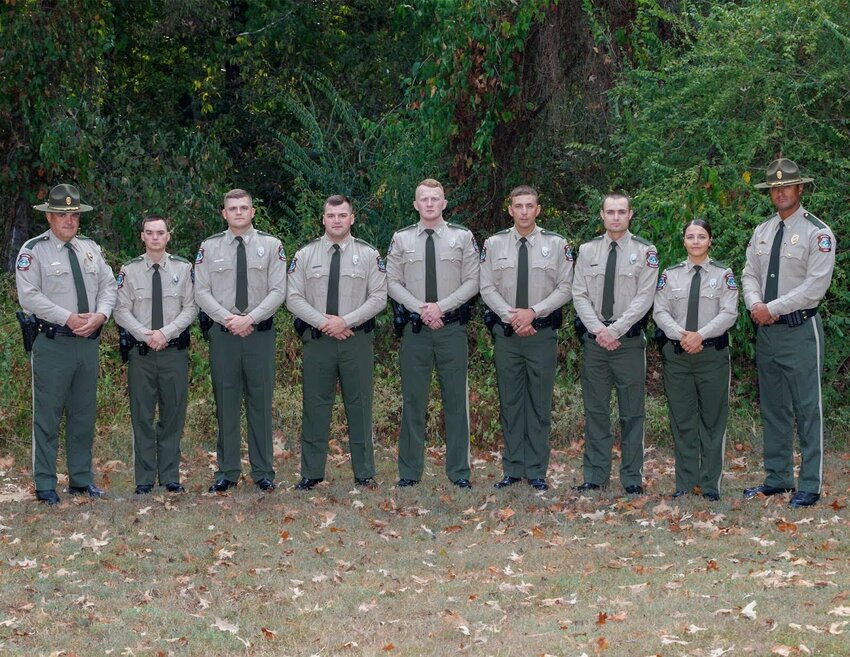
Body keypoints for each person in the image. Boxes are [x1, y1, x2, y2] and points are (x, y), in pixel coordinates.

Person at [741, 158, 835, 508]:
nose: (780, 192)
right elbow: (749, 273)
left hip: (799, 330)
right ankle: (778, 478)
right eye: (774, 188)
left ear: (800, 189)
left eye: (786, 186)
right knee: (774, 407)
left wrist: (772, 308)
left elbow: (815, 287)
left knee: (807, 407)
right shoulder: (762, 231)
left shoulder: (818, 233)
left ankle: (809, 484)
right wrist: (754, 305)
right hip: (767, 333)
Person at [15, 183, 116, 504]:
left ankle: (81, 480)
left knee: (83, 414)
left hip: (87, 343)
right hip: (52, 343)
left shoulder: (91, 249)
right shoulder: (34, 251)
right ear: (49, 218)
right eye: (62, 215)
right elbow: (29, 296)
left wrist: (100, 315)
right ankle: (45, 484)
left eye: (73, 214)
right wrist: (68, 318)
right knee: (47, 415)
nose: (69, 220)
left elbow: (109, 285)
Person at [285, 195, 387, 490]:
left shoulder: (368, 255)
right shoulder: (305, 255)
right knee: (315, 405)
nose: (337, 220)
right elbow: (293, 297)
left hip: (356, 339)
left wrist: (346, 321)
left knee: (360, 404)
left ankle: (364, 472)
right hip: (318, 341)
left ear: (352, 218)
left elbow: (379, 297)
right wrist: (324, 322)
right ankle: (312, 472)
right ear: (323, 219)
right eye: (331, 215)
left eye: (343, 215)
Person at [386, 178, 480, 488]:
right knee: (414, 401)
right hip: (415, 332)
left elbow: (473, 281)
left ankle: (459, 472)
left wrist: (441, 307)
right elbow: (392, 283)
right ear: (415, 204)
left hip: (451, 329)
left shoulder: (462, 237)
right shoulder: (401, 240)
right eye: (423, 199)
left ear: (444, 203)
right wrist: (421, 309)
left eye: (435, 198)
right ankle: (410, 472)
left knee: (456, 401)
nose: (429, 203)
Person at [479, 186, 573, 491]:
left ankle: (536, 470)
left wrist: (533, 312)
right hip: (507, 335)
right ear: (509, 209)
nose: (523, 211)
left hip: (541, 335)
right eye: (518, 206)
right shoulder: (493, 245)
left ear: (538, 209)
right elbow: (486, 287)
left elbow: (566, 287)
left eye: (529, 205)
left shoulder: (557, 245)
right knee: (510, 401)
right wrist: (512, 316)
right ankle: (512, 468)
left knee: (539, 403)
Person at [194, 189, 287, 493]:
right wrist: (228, 319)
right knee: (227, 401)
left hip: (259, 334)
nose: (238, 212)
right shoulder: (209, 248)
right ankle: (228, 470)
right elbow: (201, 291)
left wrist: (250, 318)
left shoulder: (272, 246)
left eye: (243, 207)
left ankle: (263, 471)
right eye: (232, 208)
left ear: (252, 211)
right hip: (224, 336)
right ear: (223, 213)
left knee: (260, 402)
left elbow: (278, 290)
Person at [572, 192, 658, 495]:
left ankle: (632, 478)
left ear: (631, 215)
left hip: (629, 344)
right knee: (595, 411)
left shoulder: (646, 251)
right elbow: (579, 293)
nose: (616, 217)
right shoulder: (587, 250)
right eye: (611, 212)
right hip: (596, 343)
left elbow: (645, 298)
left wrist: (616, 330)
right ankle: (595, 476)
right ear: (602, 215)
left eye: (622, 212)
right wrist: (599, 331)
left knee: (632, 413)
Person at [653, 219, 738, 501]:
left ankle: (710, 484)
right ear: (684, 241)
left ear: (710, 240)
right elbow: (660, 312)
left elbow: (729, 313)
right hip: (678, 358)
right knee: (683, 420)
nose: (696, 241)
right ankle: (686, 483)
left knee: (713, 421)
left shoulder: (724, 274)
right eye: (690, 236)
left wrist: (700, 335)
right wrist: (682, 335)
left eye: (702, 236)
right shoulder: (671, 275)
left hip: (711, 356)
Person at [114, 216, 197, 495]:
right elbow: (120, 309)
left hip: (173, 351)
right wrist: (145, 334)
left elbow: (191, 307)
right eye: (149, 233)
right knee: (142, 415)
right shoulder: (130, 270)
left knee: (173, 414)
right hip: (142, 354)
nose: (155, 237)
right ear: (142, 236)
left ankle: (171, 476)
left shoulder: (183, 269)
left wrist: (167, 333)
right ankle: (145, 479)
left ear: (168, 236)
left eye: (160, 232)